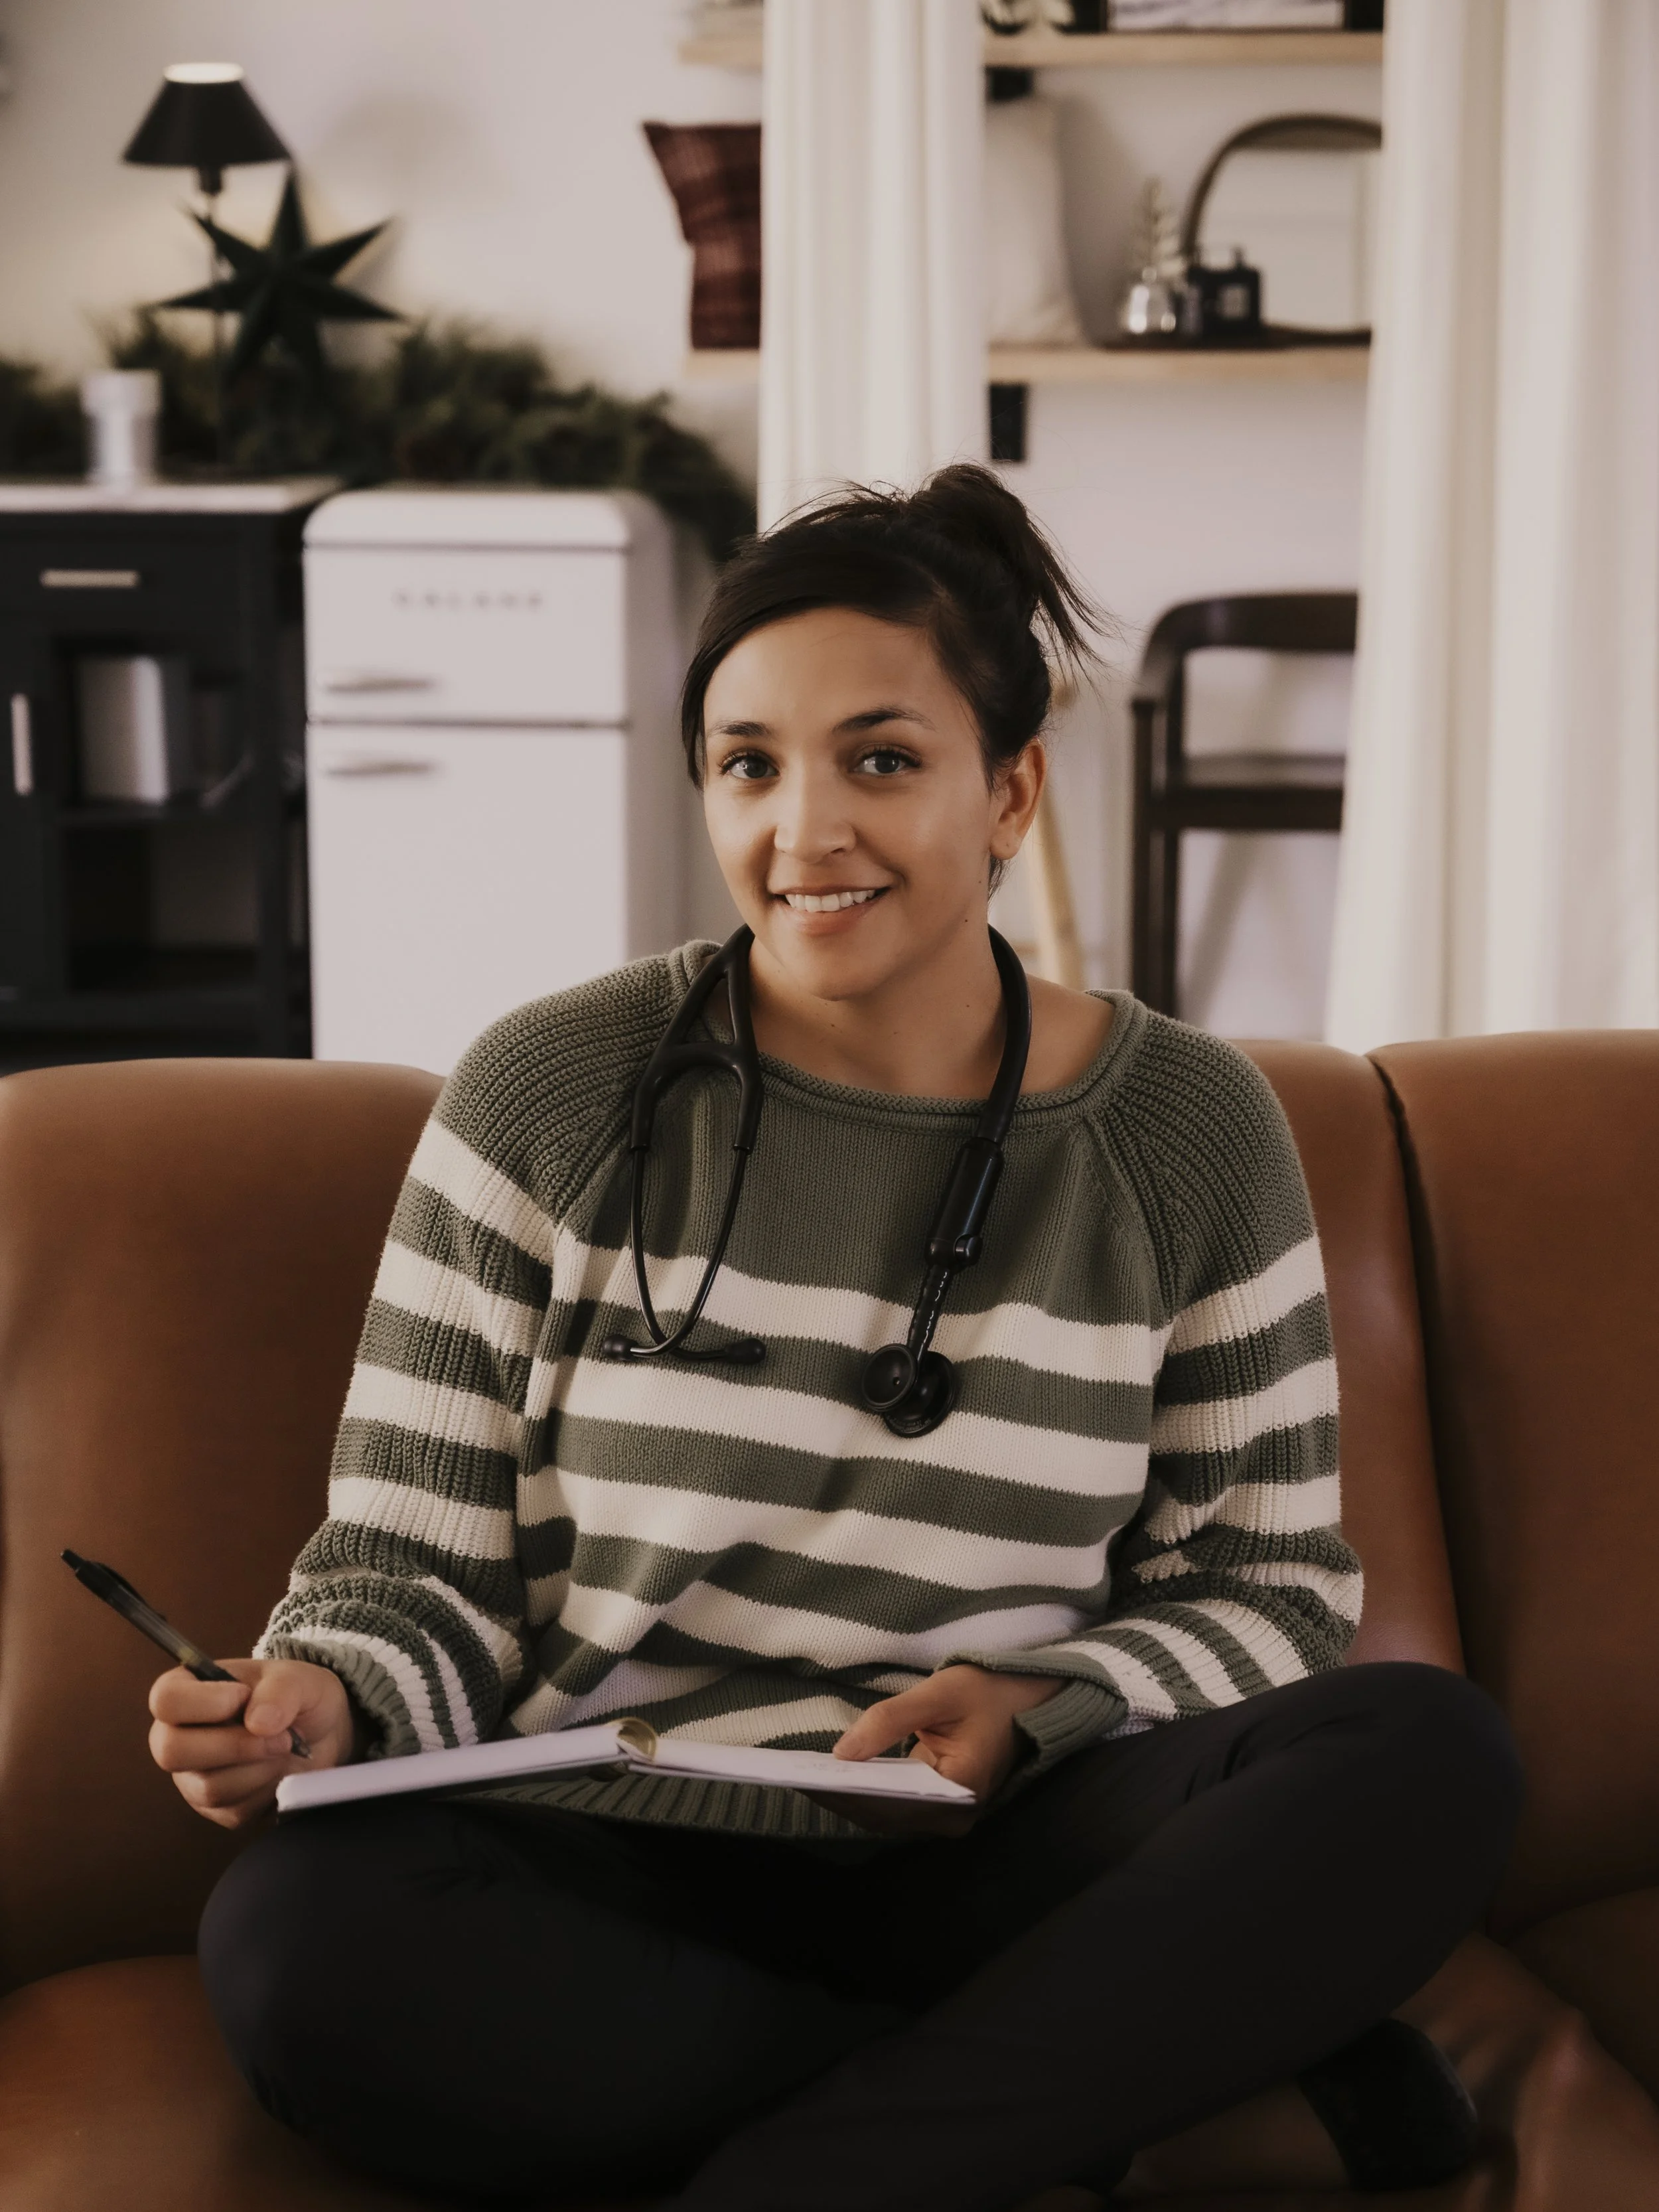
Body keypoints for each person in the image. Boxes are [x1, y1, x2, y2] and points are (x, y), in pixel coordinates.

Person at [151, 466, 1520, 2211]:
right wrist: (315, 1698)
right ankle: (1091, 2108)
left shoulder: (1186, 1125)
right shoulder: (549, 1087)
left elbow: (1272, 1592)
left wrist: (1036, 1705)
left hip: (1001, 1839)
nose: (804, 832)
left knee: (1421, 1751)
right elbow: (410, 1568)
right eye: (748, 763)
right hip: (617, 1841)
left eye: (881, 757)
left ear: (1009, 788)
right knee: (297, 1943)